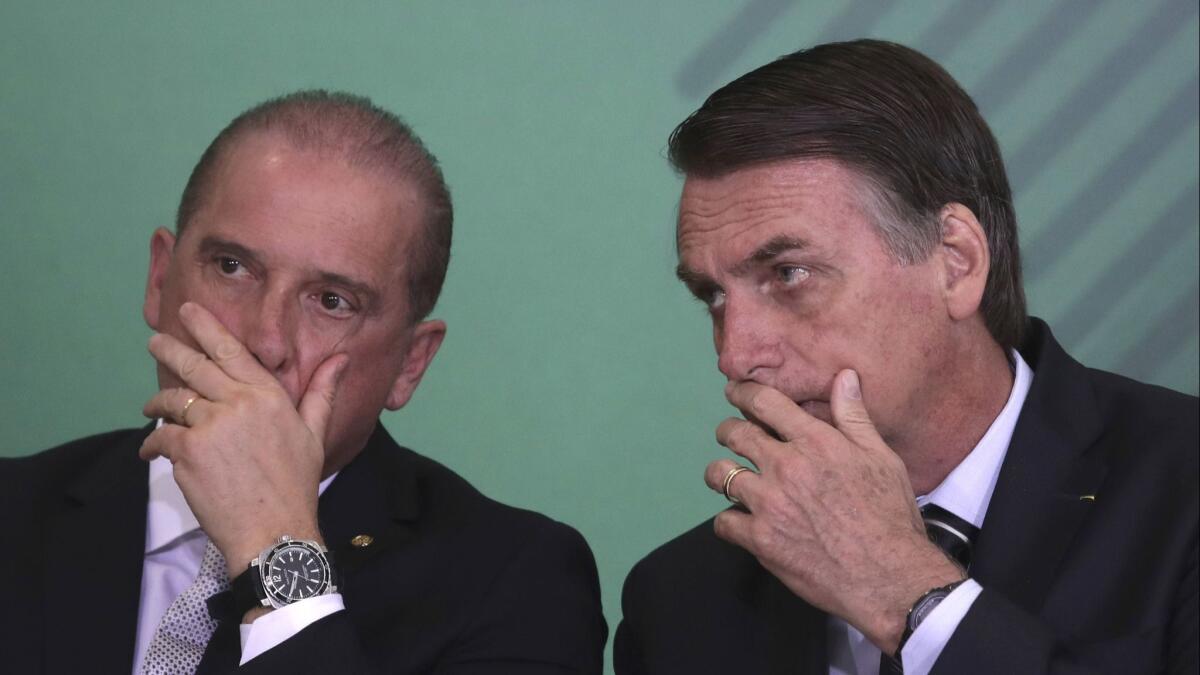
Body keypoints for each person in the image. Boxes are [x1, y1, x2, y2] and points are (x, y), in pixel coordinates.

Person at [614, 39, 1197, 675]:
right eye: (714, 296)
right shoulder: (679, 601)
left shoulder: (1181, 494)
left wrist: (909, 596)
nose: (737, 355)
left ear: (956, 261)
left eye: (789, 273)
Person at [1, 90, 606, 674]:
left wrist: (277, 549)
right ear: (160, 280)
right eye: (233, 267)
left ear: (410, 364)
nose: (265, 341)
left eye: (333, 301)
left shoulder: (515, 583)